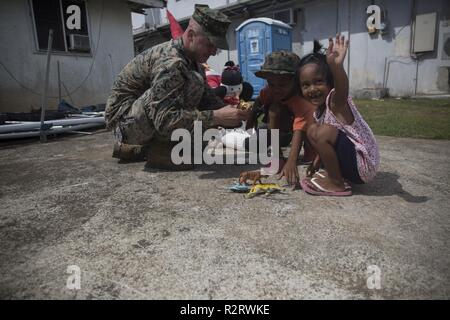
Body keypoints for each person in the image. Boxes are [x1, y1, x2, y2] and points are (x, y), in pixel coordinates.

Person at [105, 4, 249, 169]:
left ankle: (141, 150)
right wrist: (215, 117)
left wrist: (235, 114)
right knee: (190, 88)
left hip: (141, 116)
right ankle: (157, 149)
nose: (213, 51)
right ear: (191, 35)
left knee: (199, 141)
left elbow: (208, 100)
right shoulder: (171, 63)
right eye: (210, 44)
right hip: (124, 122)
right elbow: (165, 119)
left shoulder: (194, 63)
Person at [299, 35, 380, 196]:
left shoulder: (335, 103)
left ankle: (336, 183)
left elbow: (342, 91)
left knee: (318, 131)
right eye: (306, 85)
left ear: (330, 83)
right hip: (354, 166)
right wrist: (317, 162)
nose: (312, 89)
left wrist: (336, 68)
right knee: (314, 129)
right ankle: (335, 176)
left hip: (363, 165)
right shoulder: (318, 112)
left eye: (318, 82)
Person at [241, 51, 317, 186]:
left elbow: (300, 129)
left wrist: (292, 161)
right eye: (271, 84)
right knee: (252, 143)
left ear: (296, 82)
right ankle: (277, 157)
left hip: (306, 130)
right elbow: (259, 100)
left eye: (282, 85)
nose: (276, 89)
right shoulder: (269, 91)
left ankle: (311, 150)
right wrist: (252, 118)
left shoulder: (301, 100)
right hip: (282, 131)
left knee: (312, 128)